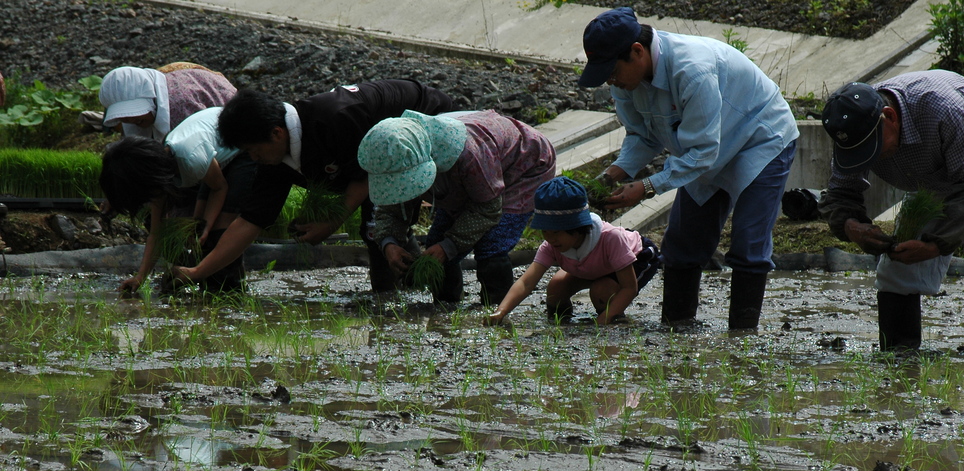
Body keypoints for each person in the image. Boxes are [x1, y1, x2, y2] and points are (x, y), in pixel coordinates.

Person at [575, 7, 798, 330]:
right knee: (682, 243)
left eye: (611, 71)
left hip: (758, 139)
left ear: (637, 52)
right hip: (702, 147)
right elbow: (642, 136)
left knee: (748, 241)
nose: (611, 81)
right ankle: (676, 327)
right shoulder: (625, 82)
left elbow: (704, 152)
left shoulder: (692, 69)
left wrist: (647, 187)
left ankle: (742, 338)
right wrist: (612, 175)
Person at [818, 72, 964, 356]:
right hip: (931, 179)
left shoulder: (943, 108)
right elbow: (840, 193)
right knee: (896, 269)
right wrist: (854, 227)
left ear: (889, 117)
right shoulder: (852, 127)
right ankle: (899, 363)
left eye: (873, 148)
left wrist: (936, 244)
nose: (870, 158)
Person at [173, 80, 453, 289]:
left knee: (377, 229)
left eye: (253, 150)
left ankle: (403, 301)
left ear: (277, 132)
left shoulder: (333, 120)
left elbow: (367, 176)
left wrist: (331, 224)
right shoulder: (273, 161)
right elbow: (249, 222)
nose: (253, 158)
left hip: (424, 122)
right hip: (372, 163)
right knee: (383, 232)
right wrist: (197, 272)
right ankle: (412, 285)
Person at [357, 109, 556, 305]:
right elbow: (391, 206)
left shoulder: (469, 155)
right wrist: (389, 243)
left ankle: (498, 309)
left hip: (524, 164)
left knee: (492, 244)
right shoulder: (399, 157)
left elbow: (488, 209)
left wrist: (449, 246)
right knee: (437, 241)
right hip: (473, 176)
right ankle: (446, 305)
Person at [100, 106, 257, 293]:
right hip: (212, 158)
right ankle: (206, 282)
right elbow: (156, 233)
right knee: (198, 232)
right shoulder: (159, 178)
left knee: (219, 230)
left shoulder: (189, 157)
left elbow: (218, 187)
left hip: (243, 148)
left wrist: (205, 225)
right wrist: (141, 277)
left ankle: (230, 292)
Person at [484, 176, 660, 325]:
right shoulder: (552, 245)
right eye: (545, 232)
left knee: (602, 291)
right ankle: (563, 322)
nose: (550, 238)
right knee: (556, 287)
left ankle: (615, 322)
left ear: (578, 227)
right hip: (595, 266)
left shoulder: (611, 239)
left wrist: (601, 323)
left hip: (635, 258)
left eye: (556, 232)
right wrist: (501, 311)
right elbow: (526, 283)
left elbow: (629, 287)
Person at [99, 64, 236, 142]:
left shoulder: (179, 109)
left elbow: (202, 157)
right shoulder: (141, 115)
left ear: (152, 97)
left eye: (134, 112)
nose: (130, 119)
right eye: (123, 116)